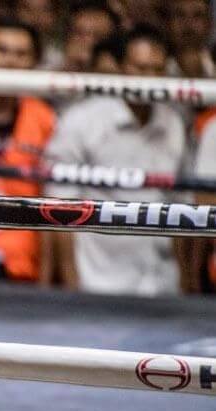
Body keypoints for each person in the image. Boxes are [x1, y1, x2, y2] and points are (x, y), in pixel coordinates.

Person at [46, 25, 187, 295]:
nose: (148, 78)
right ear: (121, 68)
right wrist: (71, 284)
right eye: (140, 68)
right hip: (97, 282)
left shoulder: (174, 123)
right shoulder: (82, 121)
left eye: (156, 69)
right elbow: (58, 206)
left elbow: (182, 206)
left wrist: (185, 282)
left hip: (160, 283)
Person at [0, 18, 55, 283]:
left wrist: (47, 286)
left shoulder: (45, 118)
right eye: (1, 50)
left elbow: (54, 203)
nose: (10, 61)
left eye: (20, 54)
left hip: (24, 265)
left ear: (34, 62)